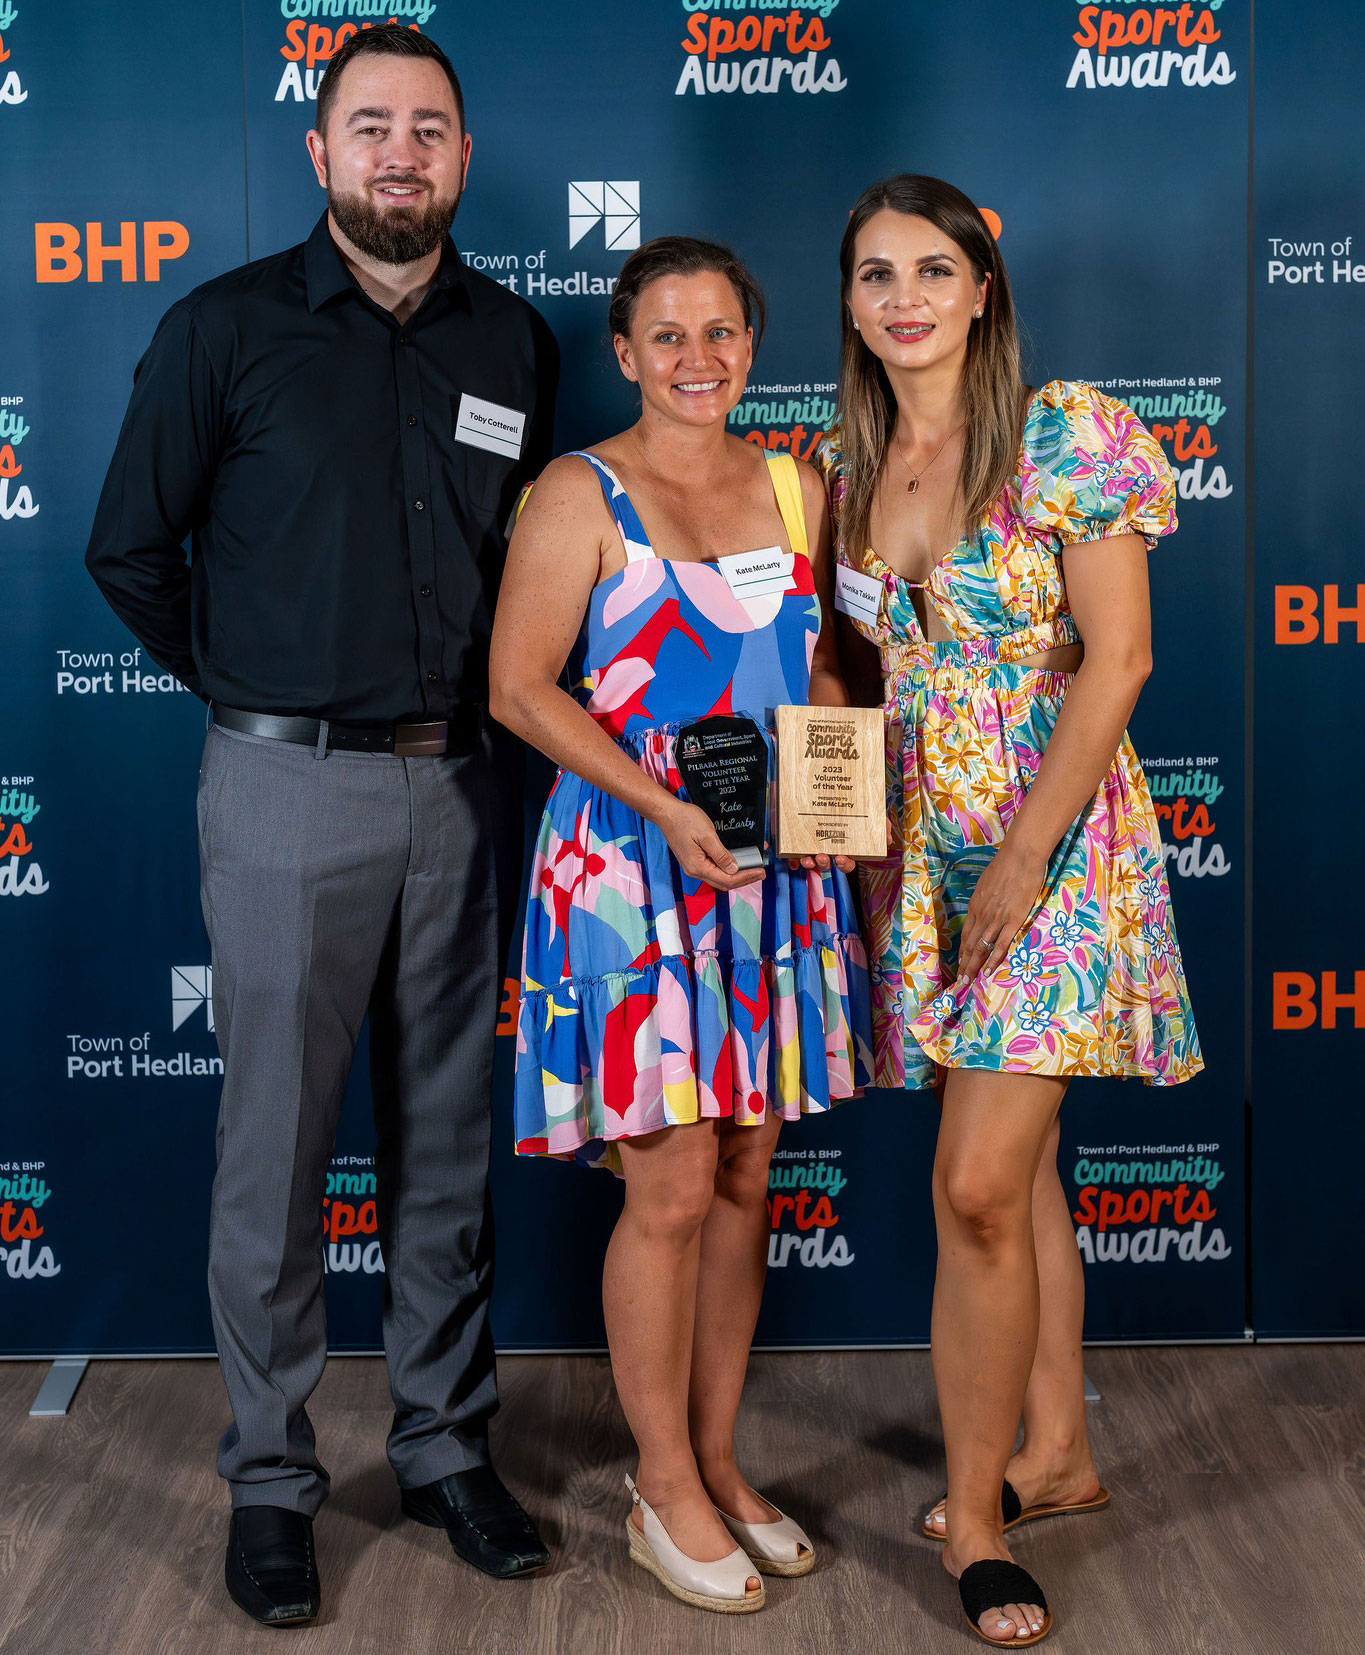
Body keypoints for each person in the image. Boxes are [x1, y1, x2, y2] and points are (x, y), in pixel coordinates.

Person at [85, 25, 558, 1629]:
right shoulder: (224, 329)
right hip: (285, 786)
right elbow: (127, 553)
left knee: (445, 1149)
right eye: (370, 126)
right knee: (276, 1151)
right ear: (320, 153)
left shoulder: (513, 343)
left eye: (429, 127)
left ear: (464, 157)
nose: (400, 153)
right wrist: (259, 688)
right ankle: (274, 1481)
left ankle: (440, 1448)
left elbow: (540, 577)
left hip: (468, 784)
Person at [816, 175, 1202, 1647]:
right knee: (1016, 1169)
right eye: (872, 276)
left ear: (982, 287)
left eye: (930, 269)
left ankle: (977, 1520)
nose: (902, 297)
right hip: (920, 859)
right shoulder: (846, 464)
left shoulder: (1070, 431)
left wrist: (1022, 858)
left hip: (1050, 851)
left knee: (974, 1187)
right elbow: (855, 686)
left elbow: (1118, 661)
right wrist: (856, 857)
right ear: (849, 305)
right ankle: (1056, 1453)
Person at [490, 236, 871, 1614]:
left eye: (719, 333)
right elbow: (521, 689)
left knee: (745, 1177)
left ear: (750, 348)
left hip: (769, 873)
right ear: (621, 350)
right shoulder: (574, 490)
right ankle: (659, 1486)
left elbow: (824, 655)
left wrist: (832, 781)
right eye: (665, 335)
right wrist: (659, 804)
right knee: (663, 1184)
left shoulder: (797, 484)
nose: (694, 358)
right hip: (633, 870)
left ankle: (714, 1461)